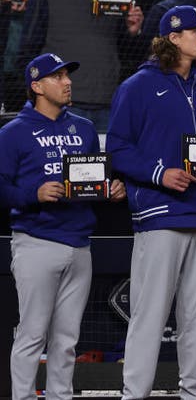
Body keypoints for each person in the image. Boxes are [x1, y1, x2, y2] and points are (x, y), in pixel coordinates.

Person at [107, 4, 196, 400]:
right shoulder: (138, 86)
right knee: (149, 316)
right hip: (160, 213)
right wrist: (159, 173)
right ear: (174, 37)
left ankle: (193, 395)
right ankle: (135, 395)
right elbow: (117, 149)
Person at [1, 53, 124, 400]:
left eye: (67, 76)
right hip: (36, 241)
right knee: (32, 334)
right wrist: (32, 193)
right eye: (57, 77)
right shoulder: (13, 133)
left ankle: (60, 396)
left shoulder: (84, 128)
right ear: (36, 86)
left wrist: (111, 190)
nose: (67, 82)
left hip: (79, 242)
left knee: (68, 338)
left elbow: (90, 183)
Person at [20, 0, 143, 131]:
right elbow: (28, 50)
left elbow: (124, 47)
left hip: (106, 100)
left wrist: (132, 30)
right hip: (61, 103)